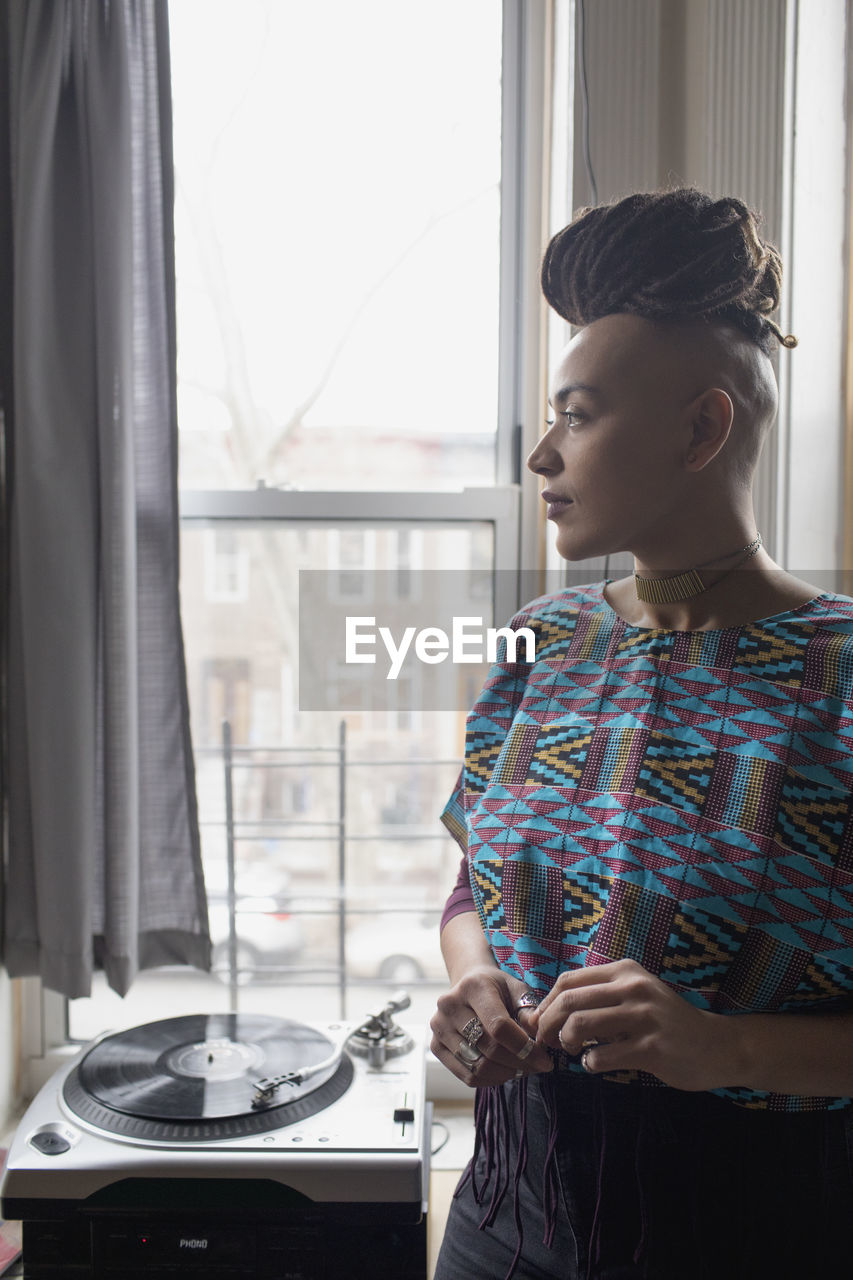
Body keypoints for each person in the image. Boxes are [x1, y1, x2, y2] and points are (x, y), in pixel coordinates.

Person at [430, 188, 853, 1280]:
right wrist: (479, 983)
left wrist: (727, 1045)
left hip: (760, 1236)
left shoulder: (841, 676)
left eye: (576, 415)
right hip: (498, 1224)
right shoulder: (537, 642)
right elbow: (472, 884)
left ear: (701, 427)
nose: (540, 455)